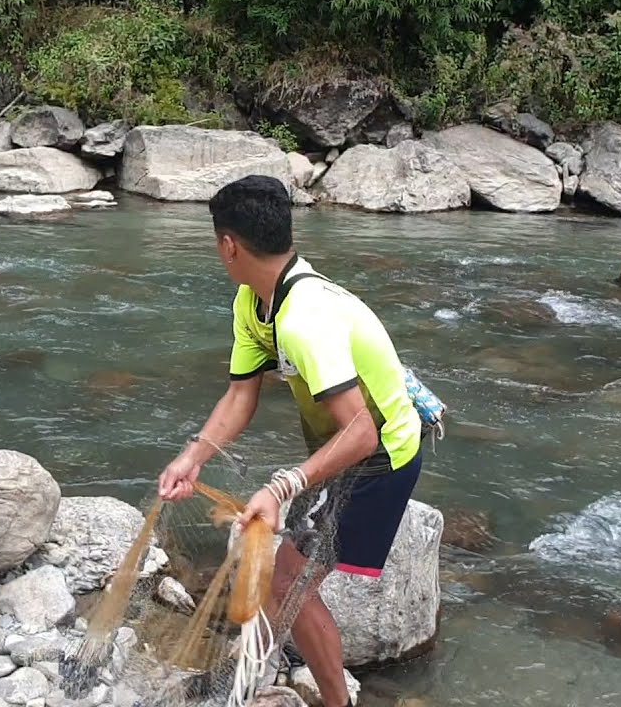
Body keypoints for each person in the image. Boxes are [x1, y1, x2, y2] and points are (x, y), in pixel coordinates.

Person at [157, 175, 425, 707]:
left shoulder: (306, 319)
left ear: (229, 244)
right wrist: (193, 456)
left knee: (289, 584)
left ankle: (334, 702)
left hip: (383, 456)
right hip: (346, 443)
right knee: (281, 570)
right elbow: (240, 397)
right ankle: (259, 671)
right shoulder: (252, 301)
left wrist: (281, 488)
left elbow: (362, 433)